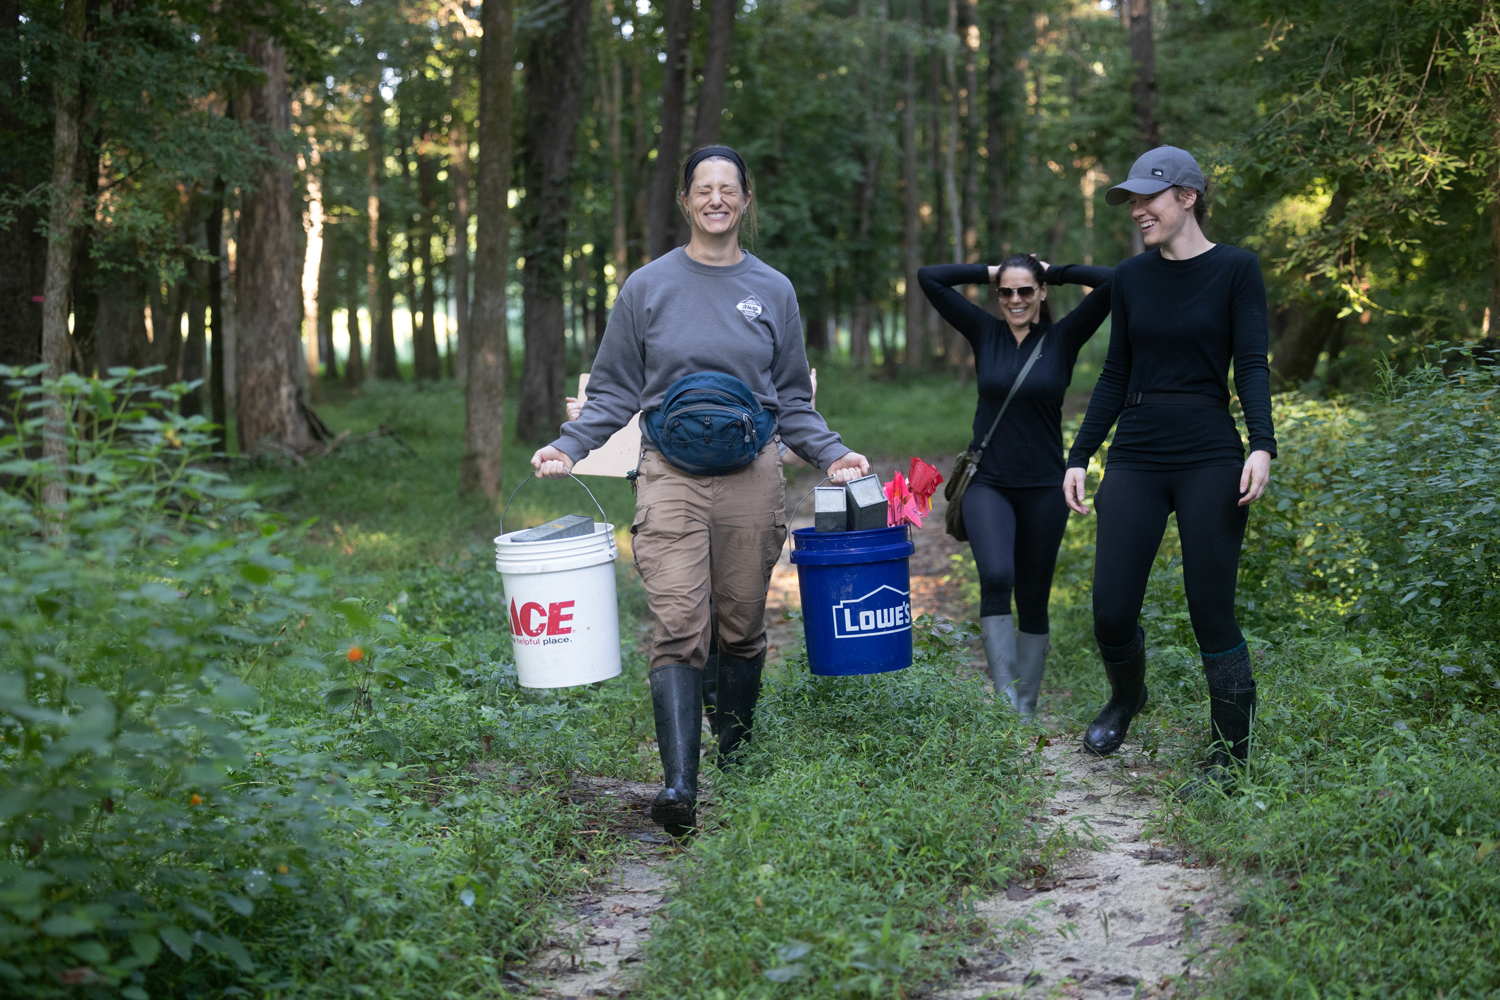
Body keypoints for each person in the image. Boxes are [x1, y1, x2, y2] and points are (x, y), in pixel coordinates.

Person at [532, 145, 870, 835]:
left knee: (740, 627)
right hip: (669, 476)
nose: (717, 199)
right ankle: (680, 787)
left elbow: (791, 399)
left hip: (753, 475)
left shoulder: (773, 289)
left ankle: (737, 766)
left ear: (746, 200)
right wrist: (569, 445)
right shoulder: (647, 287)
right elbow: (615, 389)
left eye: (729, 189)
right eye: (704, 189)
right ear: (685, 200)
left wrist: (833, 454)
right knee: (680, 625)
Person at [1062, 146, 1275, 793]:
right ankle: (1127, 696)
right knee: (1110, 610)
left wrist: (1261, 444)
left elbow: (1251, 363)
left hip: (1210, 450)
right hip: (1137, 450)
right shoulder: (1130, 277)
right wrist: (1080, 454)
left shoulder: (1237, 269)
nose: (1136, 210)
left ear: (1187, 197)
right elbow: (1115, 371)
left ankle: (1229, 759)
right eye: (1131, 200)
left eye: (1147, 198)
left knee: (1210, 607)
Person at [919, 254, 1114, 718]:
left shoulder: (1063, 336)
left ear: (1041, 292)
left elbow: (1113, 281)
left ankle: (1026, 705)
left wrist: (1055, 271)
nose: (1015, 299)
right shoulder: (984, 331)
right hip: (988, 483)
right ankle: (1007, 704)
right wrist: (995, 271)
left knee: (1033, 595)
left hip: (1045, 487)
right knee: (997, 577)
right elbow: (930, 277)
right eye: (1006, 292)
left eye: (1026, 290)